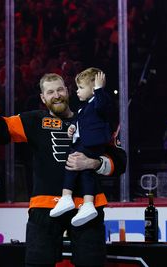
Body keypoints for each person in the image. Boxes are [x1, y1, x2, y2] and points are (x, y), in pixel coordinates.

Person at [0, 61, 126, 267]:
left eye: (60, 89)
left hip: (87, 208)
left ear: (68, 91)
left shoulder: (93, 117)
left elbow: (120, 162)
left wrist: (93, 163)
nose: (57, 95)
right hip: (45, 207)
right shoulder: (33, 120)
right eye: (50, 92)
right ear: (43, 98)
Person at [50, 68, 113, 227]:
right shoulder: (83, 108)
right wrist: (73, 127)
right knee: (85, 171)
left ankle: (66, 197)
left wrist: (99, 89)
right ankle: (88, 204)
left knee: (72, 162)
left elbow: (102, 107)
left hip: (92, 143)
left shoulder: (100, 101)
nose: (77, 92)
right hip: (84, 142)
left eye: (81, 88)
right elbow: (80, 122)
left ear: (93, 88)